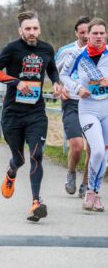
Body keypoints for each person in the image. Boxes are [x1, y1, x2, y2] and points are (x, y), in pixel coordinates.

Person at [0, 10, 65, 222]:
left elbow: (52, 69)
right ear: (20, 30)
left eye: (35, 28)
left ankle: (35, 203)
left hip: (35, 112)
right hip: (13, 113)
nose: (32, 32)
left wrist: (57, 83)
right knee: (20, 159)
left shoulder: (46, 49)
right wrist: (16, 82)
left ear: (39, 29)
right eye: (28, 29)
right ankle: (11, 170)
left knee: (36, 155)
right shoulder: (11, 49)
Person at [60, 18, 108, 212]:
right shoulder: (78, 54)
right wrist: (77, 87)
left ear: (105, 34)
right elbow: (64, 75)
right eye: (94, 33)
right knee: (96, 150)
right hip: (88, 109)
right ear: (88, 35)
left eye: (101, 33)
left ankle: (94, 193)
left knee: (104, 154)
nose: (98, 36)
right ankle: (90, 190)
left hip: (107, 108)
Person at [55, 16, 91, 197]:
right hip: (72, 102)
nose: (85, 36)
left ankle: (86, 182)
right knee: (77, 146)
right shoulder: (66, 51)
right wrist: (59, 87)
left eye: (88, 32)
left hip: (93, 103)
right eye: (82, 32)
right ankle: (71, 173)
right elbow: (53, 72)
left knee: (94, 147)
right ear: (76, 33)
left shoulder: (101, 52)